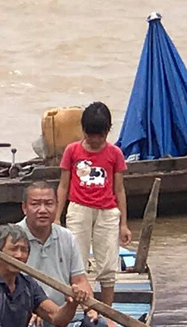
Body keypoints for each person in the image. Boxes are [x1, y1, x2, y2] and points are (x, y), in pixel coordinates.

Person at [17, 181, 116, 327]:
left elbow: (79, 279)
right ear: (25, 208)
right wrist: (27, 311)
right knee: (26, 326)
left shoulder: (66, 237)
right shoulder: (13, 237)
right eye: (35, 204)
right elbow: (4, 285)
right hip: (28, 316)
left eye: (48, 204)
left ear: (56, 206)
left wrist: (90, 309)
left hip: (61, 315)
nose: (42, 210)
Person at [55, 101, 132, 315]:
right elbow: (63, 185)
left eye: (101, 135)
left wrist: (123, 224)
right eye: (91, 135)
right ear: (83, 130)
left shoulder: (115, 154)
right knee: (75, 261)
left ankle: (107, 313)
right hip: (79, 209)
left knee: (107, 265)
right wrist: (56, 216)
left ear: (108, 131)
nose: (96, 140)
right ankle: (78, 310)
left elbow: (119, 190)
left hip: (107, 212)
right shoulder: (72, 151)